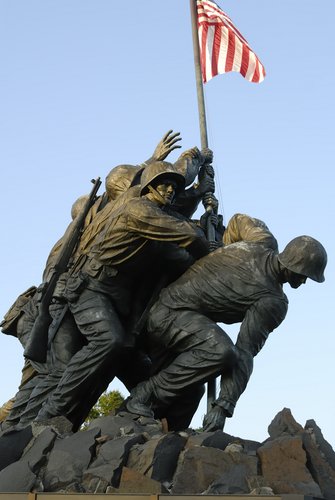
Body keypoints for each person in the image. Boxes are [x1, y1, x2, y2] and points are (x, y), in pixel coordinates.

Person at [33, 161, 210, 429]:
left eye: (174, 186)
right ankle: (49, 414)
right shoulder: (140, 210)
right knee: (109, 340)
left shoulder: (155, 226)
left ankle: (145, 421)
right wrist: (206, 240)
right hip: (91, 289)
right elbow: (187, 236)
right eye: (164, 183)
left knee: (160, 378)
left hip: (121, 306)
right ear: (149, 186)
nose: (170, 190)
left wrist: (207, 216)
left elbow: (180, 257)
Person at [125, 213, 327, 432]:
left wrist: (224, 249)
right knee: (220, 351)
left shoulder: (261, 240)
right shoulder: (273, 301)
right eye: (305, 274)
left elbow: (238, 220)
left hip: (174, 316)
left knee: (192, 392)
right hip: (169, 315)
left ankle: (164, 435)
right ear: (294, 266)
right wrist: (224, 405)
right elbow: (243, 352)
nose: (304, 281)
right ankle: (144, 395)